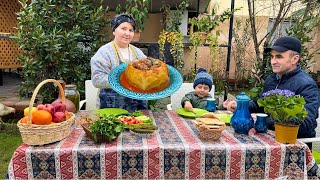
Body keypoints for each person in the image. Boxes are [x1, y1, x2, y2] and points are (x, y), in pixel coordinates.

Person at [224, 36, 320, 148]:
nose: (273, 61)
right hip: (266, 140)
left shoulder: (307, 85)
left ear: (295, 59)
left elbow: (305, 124)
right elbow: (259, 104)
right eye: (272, 57)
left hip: (294, 147)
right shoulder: (272, 79)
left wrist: (263, 121)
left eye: (279, 57)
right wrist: (241, 106)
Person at [91, 14, 148, 111]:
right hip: (111, 107)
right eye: (123, 28)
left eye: (131, 30)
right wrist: (123, 80)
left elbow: (147, 75)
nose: (127, 33)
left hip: (138, 106)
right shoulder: (104, 52)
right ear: (114, 30)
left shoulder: (138, 53)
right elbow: (97, 79)